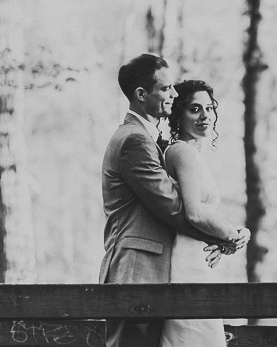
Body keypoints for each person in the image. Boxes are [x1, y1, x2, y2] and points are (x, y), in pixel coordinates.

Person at [99, 55, 231, 347]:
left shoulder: (148, 139)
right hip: (136, 269)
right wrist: (227, 237)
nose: (173, 94)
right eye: (166, 89)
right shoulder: (134, 140)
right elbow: (172, 206)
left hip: (158, 269)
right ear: (141, 95)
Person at [160, 79, 250, 347]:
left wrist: (235, 235)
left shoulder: (194, 155)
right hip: (187, 264)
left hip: (200, 259)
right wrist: (232, 236)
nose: (205, 116)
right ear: (178, 114)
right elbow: (195, 215)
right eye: (194, 109)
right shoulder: (181, 151)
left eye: (209, 108)